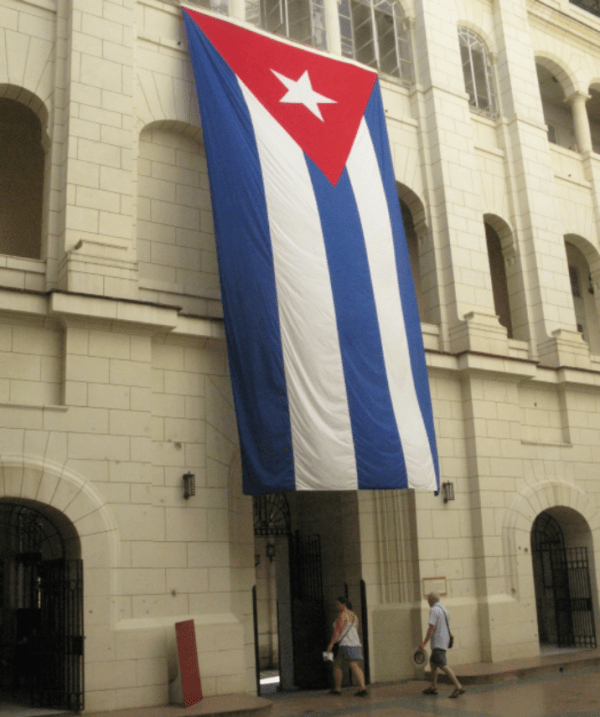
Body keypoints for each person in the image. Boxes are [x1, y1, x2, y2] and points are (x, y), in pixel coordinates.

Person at [419, 592, 465, 698]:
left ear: (430, 601)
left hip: (438, 642)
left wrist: (424, 643)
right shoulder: (444, 609)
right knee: (433, 663)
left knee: (442, 665)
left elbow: (431, 628)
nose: (427, 602)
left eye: (428, 600)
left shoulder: (434, 610)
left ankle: (458, 686)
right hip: (444, 641)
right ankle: (433, 686)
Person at [326, 597, 368, 696]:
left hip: (344, 644)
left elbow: (338, 631)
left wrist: (331, 644)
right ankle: (362, 688)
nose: (336, 606)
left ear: (343, 604)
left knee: (337, 665)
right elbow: (356, 630)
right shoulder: (354, 616)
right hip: (355, 643)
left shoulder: (342, 615)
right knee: (355, 665)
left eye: (337, 604)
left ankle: (337, 689)